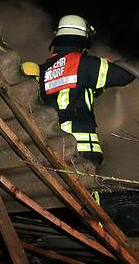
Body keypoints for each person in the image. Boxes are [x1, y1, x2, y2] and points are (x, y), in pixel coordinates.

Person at [38, 15, 134, 166]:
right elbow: (124, 75)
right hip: (80, 147)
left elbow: (74, 93)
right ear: (83, 36)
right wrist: (126, 64)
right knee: (87, 188)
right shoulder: (82, 63)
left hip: (51, 144)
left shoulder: (45, 69)